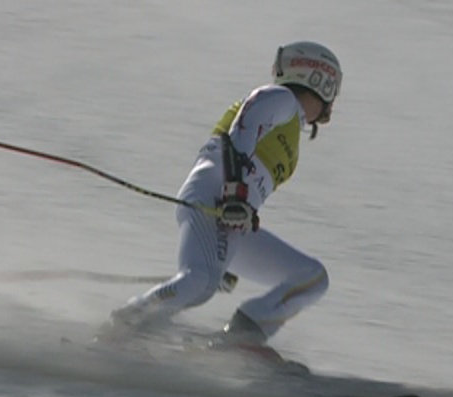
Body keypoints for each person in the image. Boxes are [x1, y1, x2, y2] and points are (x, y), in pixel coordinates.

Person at [103, 41, 342, 353]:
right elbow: (241, 134)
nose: (332, 104)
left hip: (232, 215)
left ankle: (245, 333)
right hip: (215, 198)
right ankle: (125, 325)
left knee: (311, 278)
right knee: (199, 281)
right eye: (333, 90)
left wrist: (229, 243)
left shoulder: (291, 127)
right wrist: (234, 194)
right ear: (319, 79)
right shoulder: (279, 98)